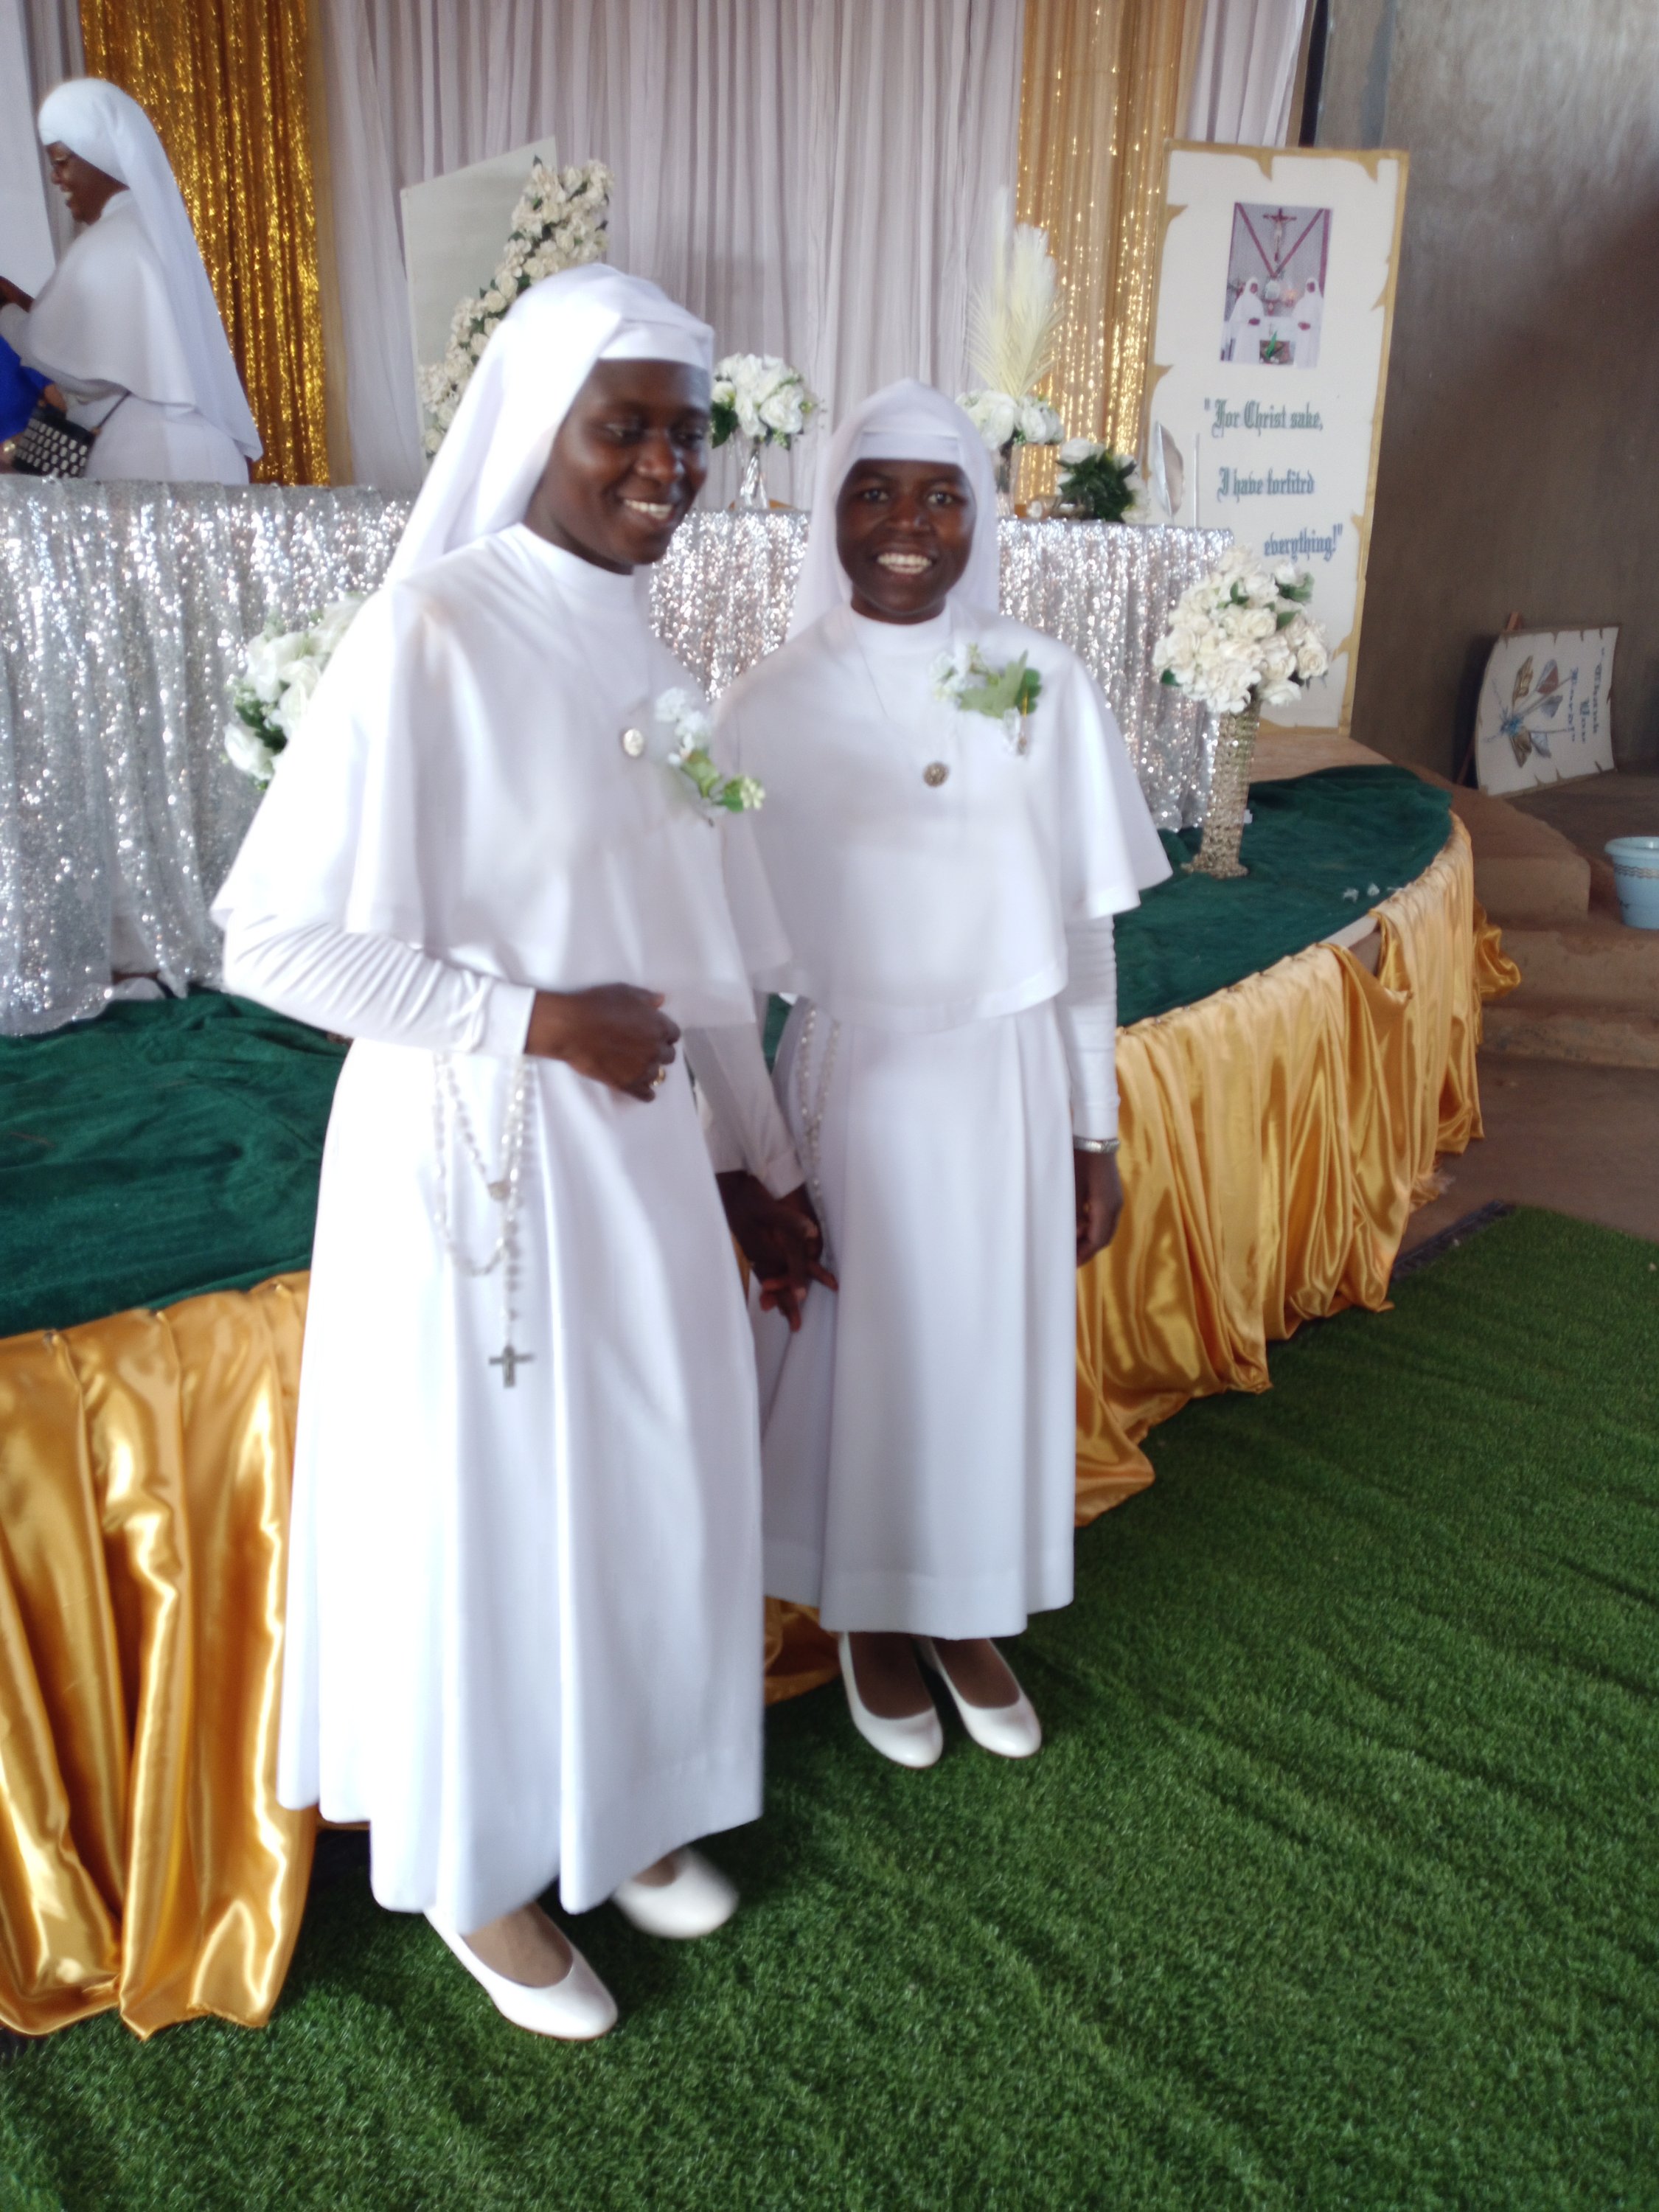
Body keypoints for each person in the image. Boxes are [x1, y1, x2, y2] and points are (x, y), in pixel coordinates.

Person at [213, 265, 821, 2039]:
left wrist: (758, 1165)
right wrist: (534, 1021)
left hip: (634, 1153)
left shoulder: (655, 656)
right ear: (540, 427)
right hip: (469, 1148)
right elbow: (273, 941)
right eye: (625, 425)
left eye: (687, 431)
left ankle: (615, 1802)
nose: (665, 463)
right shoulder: (432, 632)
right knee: (490, 1504)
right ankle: (480, 1867)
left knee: (644, 1474)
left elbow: (703, 971)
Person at [706, 380, 1170, 1770]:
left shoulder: (1044, 681)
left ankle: (967, 1607)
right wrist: (754, 1159)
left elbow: (1079, 933)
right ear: (831, 513)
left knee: (982, 1346)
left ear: (980, 517)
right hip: (858, 1072)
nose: (907, 525)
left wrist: (1093, 1130)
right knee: (871, 1349)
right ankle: (871, 1615)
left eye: (940, 497)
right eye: (875, 493)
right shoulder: (767, 702)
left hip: (1008, 1073)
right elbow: (724, 963)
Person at [0, 78, 260, 482]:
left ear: (98, 155)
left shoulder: (112, 239)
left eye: (62, 161)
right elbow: (106, 341)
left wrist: (7, 312)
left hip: (148, 454)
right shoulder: (152, 230)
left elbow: (67, 363)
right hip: (202, 449)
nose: (56, 178)